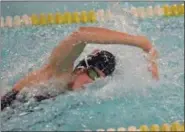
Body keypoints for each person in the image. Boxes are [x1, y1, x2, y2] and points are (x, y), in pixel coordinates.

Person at [1, 27, 159, 110]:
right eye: (91, 73)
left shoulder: (70, 90)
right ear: (80, 68)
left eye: (97, 79)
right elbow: (80, 34)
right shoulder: (59, 71)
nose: (91, 82)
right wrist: (140, 42)